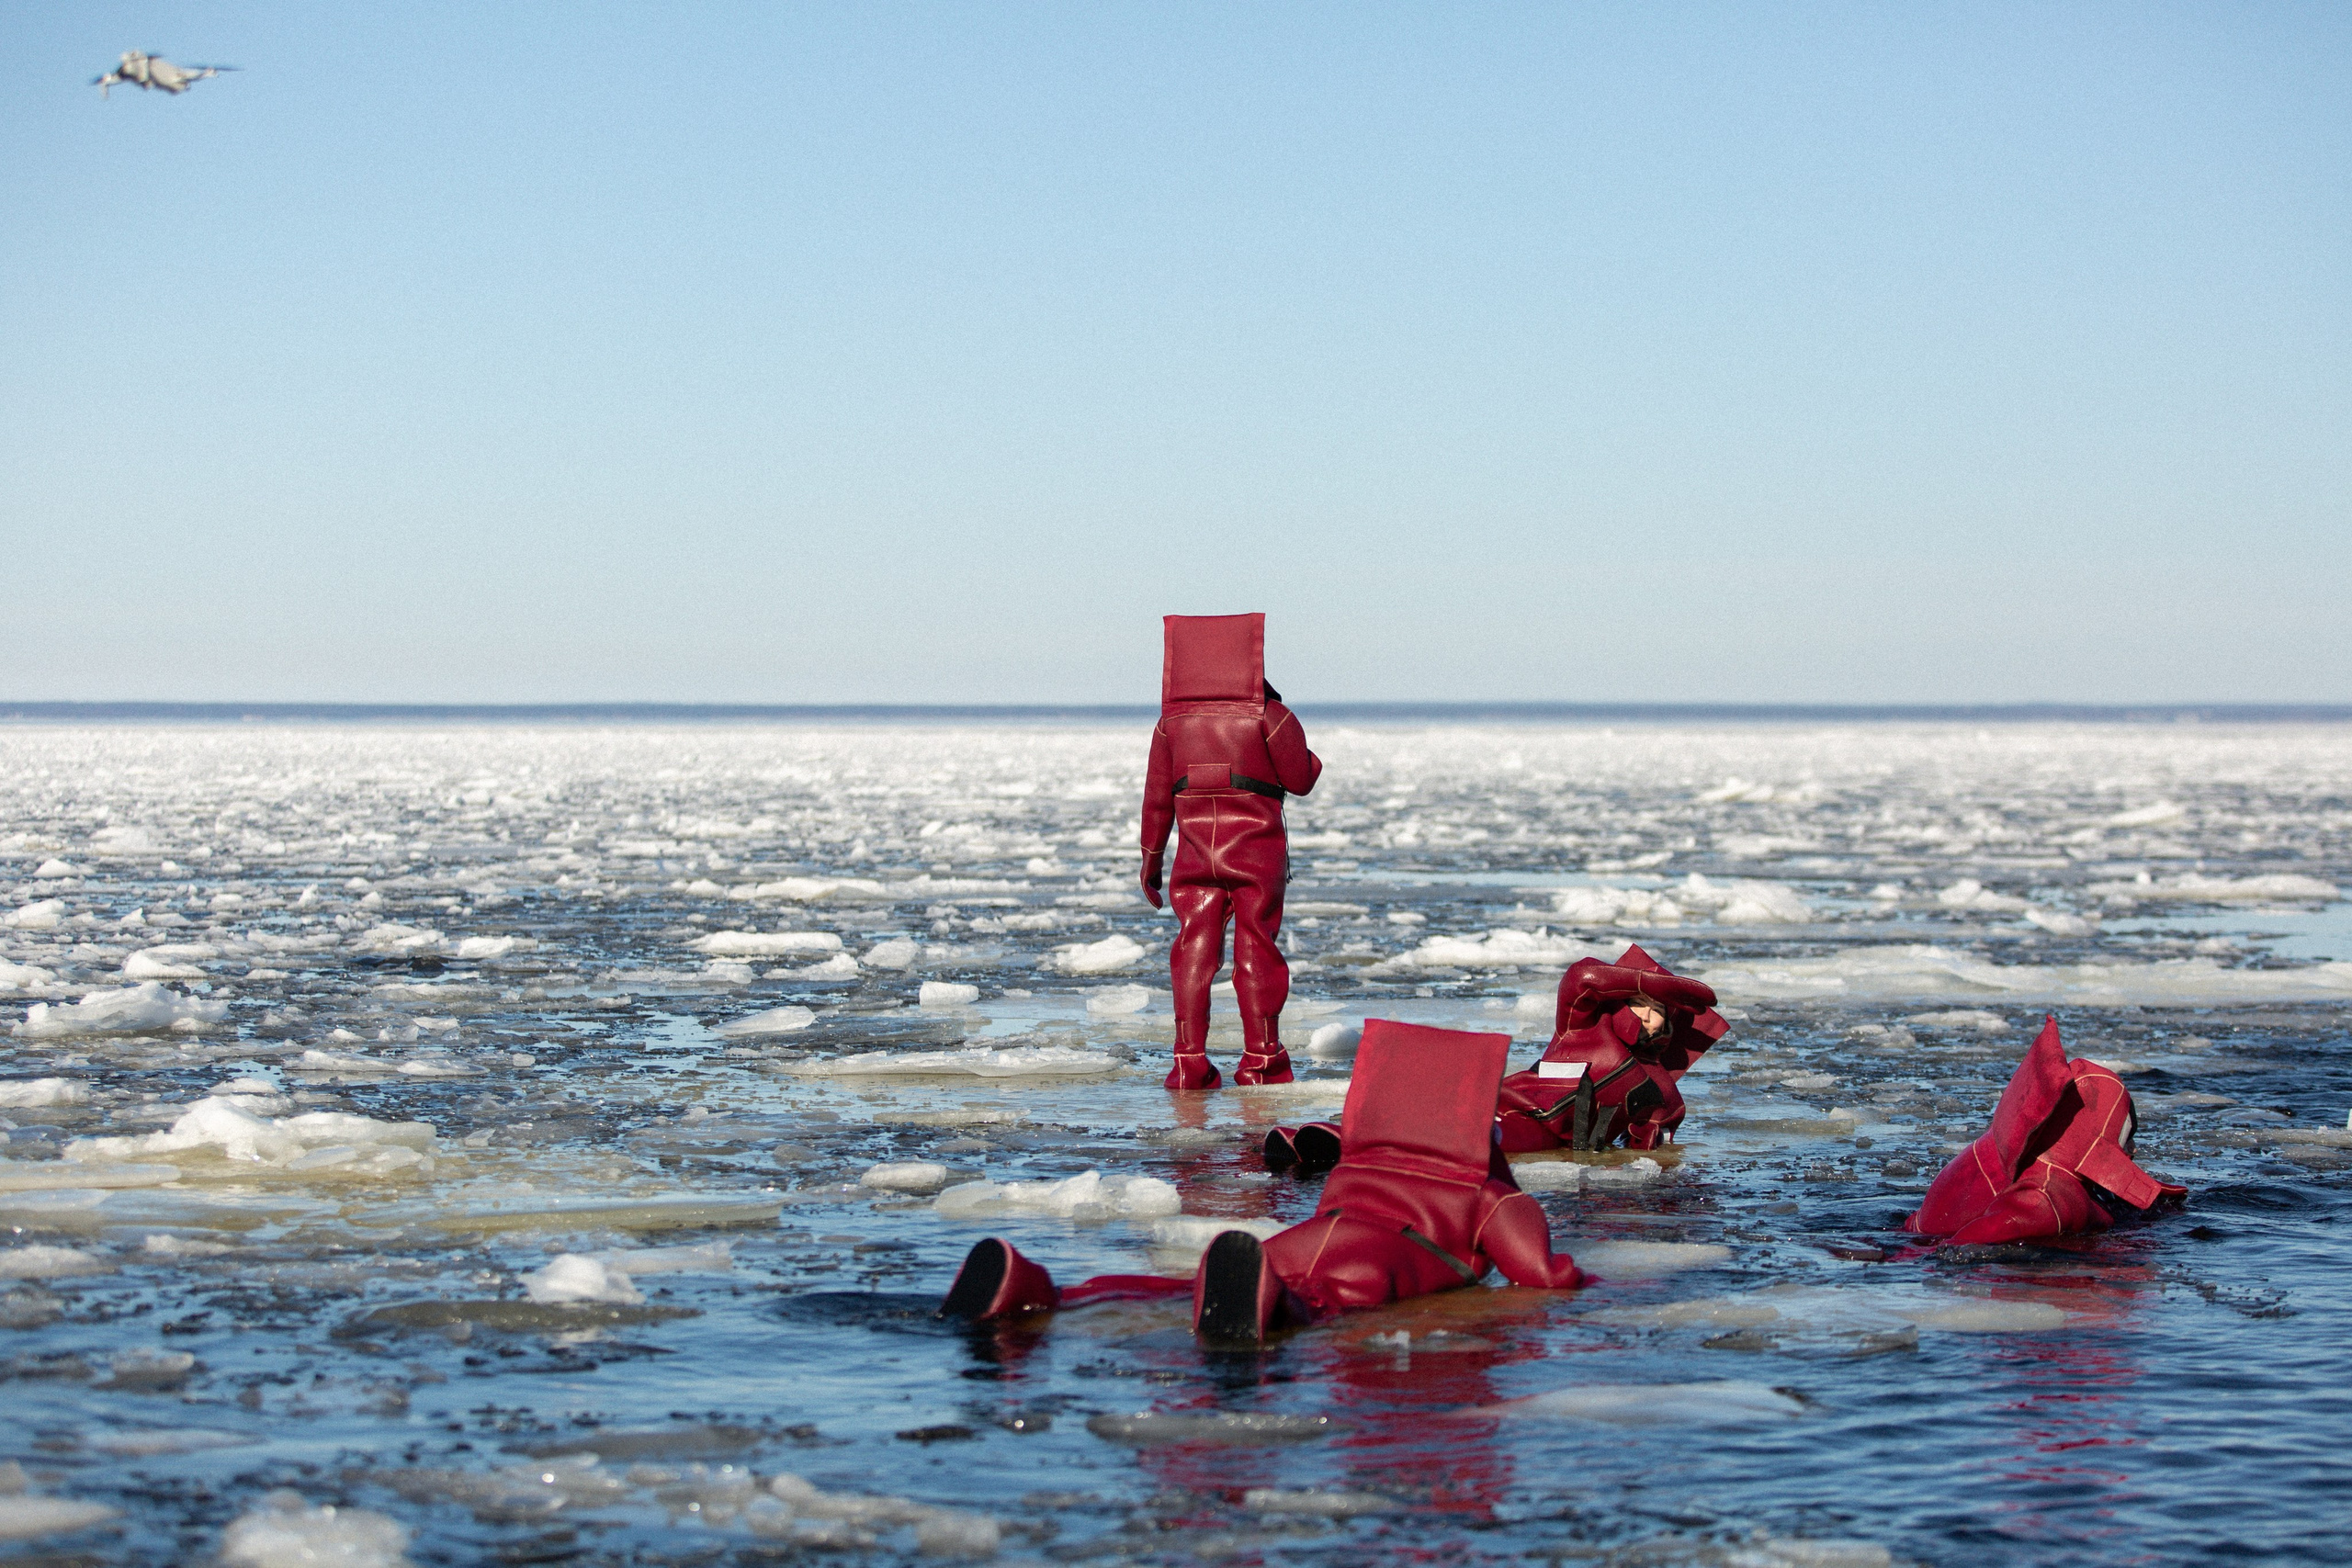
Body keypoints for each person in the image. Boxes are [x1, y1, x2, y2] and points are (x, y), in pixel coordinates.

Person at [939, 1021, 1586, 1346]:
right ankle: (1269, 1308)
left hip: (1308, 1235)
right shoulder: (1487, 1195)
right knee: (1315, 1304)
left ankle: (1040, 1289)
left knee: (1185, 1284)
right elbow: (1541, 1273)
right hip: (1377, 1260)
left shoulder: (1364, 1159)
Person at [1138, 613, 1322, 1089]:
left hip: (1196, 855)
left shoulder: (1170, 724)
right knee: (1256, 945)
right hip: (1255, 853)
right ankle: (1262, 1061)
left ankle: (1187, 1062)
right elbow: (1300, 780)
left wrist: (1150, 860)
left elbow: (1157, 798)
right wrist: (1310, 756)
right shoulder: (1270, 715)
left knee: (1192, 948)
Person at [1904, 1015, 2185, 1245]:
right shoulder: (2050, 1193)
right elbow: (1995, 1228)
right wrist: (1920, 1258)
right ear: (2096, 1132)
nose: (2132, 1151)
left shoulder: (2011, 1155)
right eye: (2126, 1136)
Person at [1492, 944, 1727, 1154]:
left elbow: (1652, 1152)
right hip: (1510, 1111)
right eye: (1637, 1003)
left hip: (1559, 1149)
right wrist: (1642, 981)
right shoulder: (1583, 1026)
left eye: (1657, 1010)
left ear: (1667, 1024)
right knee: (1490, 1138)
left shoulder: (1661, 1089)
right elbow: (1579, 977)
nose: (1645, 1015)